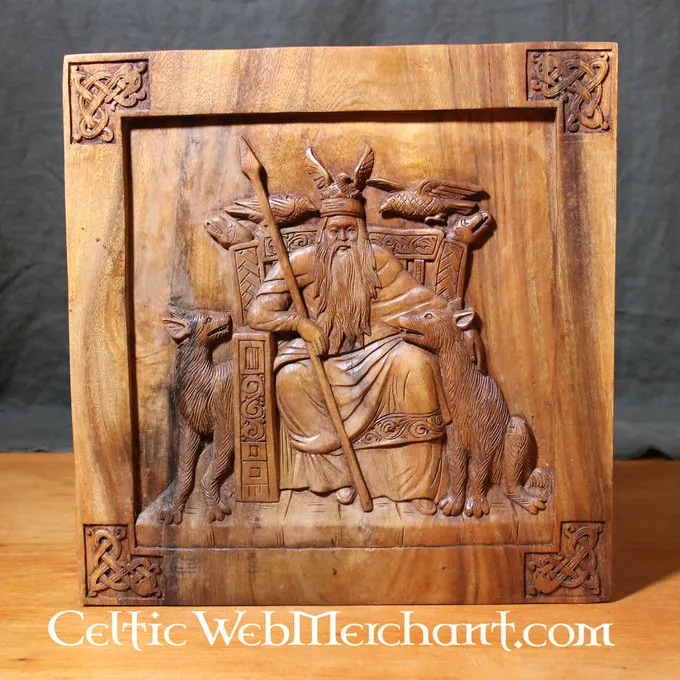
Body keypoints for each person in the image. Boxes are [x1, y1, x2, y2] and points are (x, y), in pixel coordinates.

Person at [246, 148, 450, 514]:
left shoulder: (378, 260)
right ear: (323, 232)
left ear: (361, 231)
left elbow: (416, 301)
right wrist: (298, 323)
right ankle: (338, 476)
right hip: (320, 358)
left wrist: (452, 320)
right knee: (289, 379)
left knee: (416, 365)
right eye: (335, 231)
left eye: (350, 231)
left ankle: (414, 486)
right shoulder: (301, 263)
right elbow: (257, 313)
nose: (343, 238)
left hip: (379, 351)